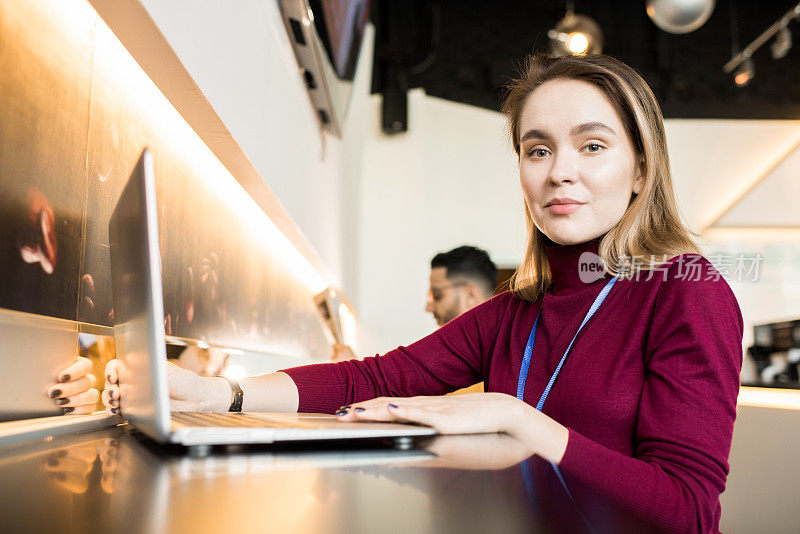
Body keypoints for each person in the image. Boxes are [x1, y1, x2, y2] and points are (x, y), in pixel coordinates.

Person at [56, 53, 743, 533]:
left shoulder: (689, 294)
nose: (560, 171)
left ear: (640, 168)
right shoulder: (516, 310)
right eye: (537, 150)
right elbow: (375, 375)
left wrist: (518, 418)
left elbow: (688, 512)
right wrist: (222, 396)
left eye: (592, 146)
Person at [331, 245, 497, 363]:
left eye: (437, 296)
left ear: (470, 295)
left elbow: (431, 407)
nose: (428, 307)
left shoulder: (491, 359)